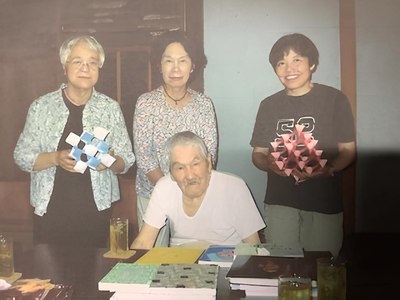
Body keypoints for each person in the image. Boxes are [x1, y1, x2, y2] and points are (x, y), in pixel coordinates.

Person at [14, 35, 135, 247]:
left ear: (99, 68)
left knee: (95, 274)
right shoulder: (41, 107)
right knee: (47, 278)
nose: (85, 68)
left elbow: (127, 161)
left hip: (97, 211)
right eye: (77, 61)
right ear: (64, 66)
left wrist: (108, 161)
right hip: (50, 210)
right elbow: (21, 157)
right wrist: (55, 158)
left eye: (92, 62)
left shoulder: (110, 108)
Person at [250, 33, 356, 256]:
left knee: (322, 266)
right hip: (280, 200)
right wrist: (268, 164)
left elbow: (348, 151)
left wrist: (330, 169)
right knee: (283, 266)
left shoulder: (334, 99)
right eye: (281, 62)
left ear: (312, 63)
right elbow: (258, 154)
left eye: (296, 60)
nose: (289, 68)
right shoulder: (268, 105)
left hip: (324, 200)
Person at [133, 30, 218, 247]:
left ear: (193, 65)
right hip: (152, 194)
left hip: (194, 195)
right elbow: (145, 158)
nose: (176, 68)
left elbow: (210, 156)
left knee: (192, 258)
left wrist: (188, 192)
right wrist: (169, 192)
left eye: (182, 61)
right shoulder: (146, 103)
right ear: (159, 66)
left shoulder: (204, 105)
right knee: (153, 259)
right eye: (168, 61)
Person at [131, 131, 265, 249]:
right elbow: (143, 242)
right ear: (171, 172)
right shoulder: (164, 187)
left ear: (208, 162)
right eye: (180, 168)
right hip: (179, 266)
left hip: (227, 265)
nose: (190, 175)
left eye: (195, 164)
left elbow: (253, 247)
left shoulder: (234, 188)